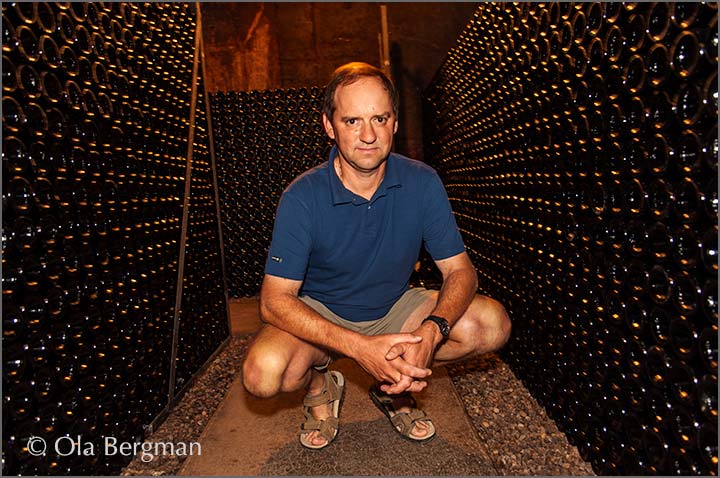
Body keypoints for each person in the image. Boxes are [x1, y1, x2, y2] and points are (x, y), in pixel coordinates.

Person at [242, 61, 511, 449]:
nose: (368, 135)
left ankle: (392, 385)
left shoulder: (422, 181)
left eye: (379, 118)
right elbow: (273, 301)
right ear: (329, 127)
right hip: (323, 312)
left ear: (395, 123)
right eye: (352, 121)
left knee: (490, 324)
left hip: (395, 306)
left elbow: (461, 272)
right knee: (264, 374)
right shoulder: (302, 197)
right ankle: (322, 384)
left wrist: (430, 333)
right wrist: (358, 348)